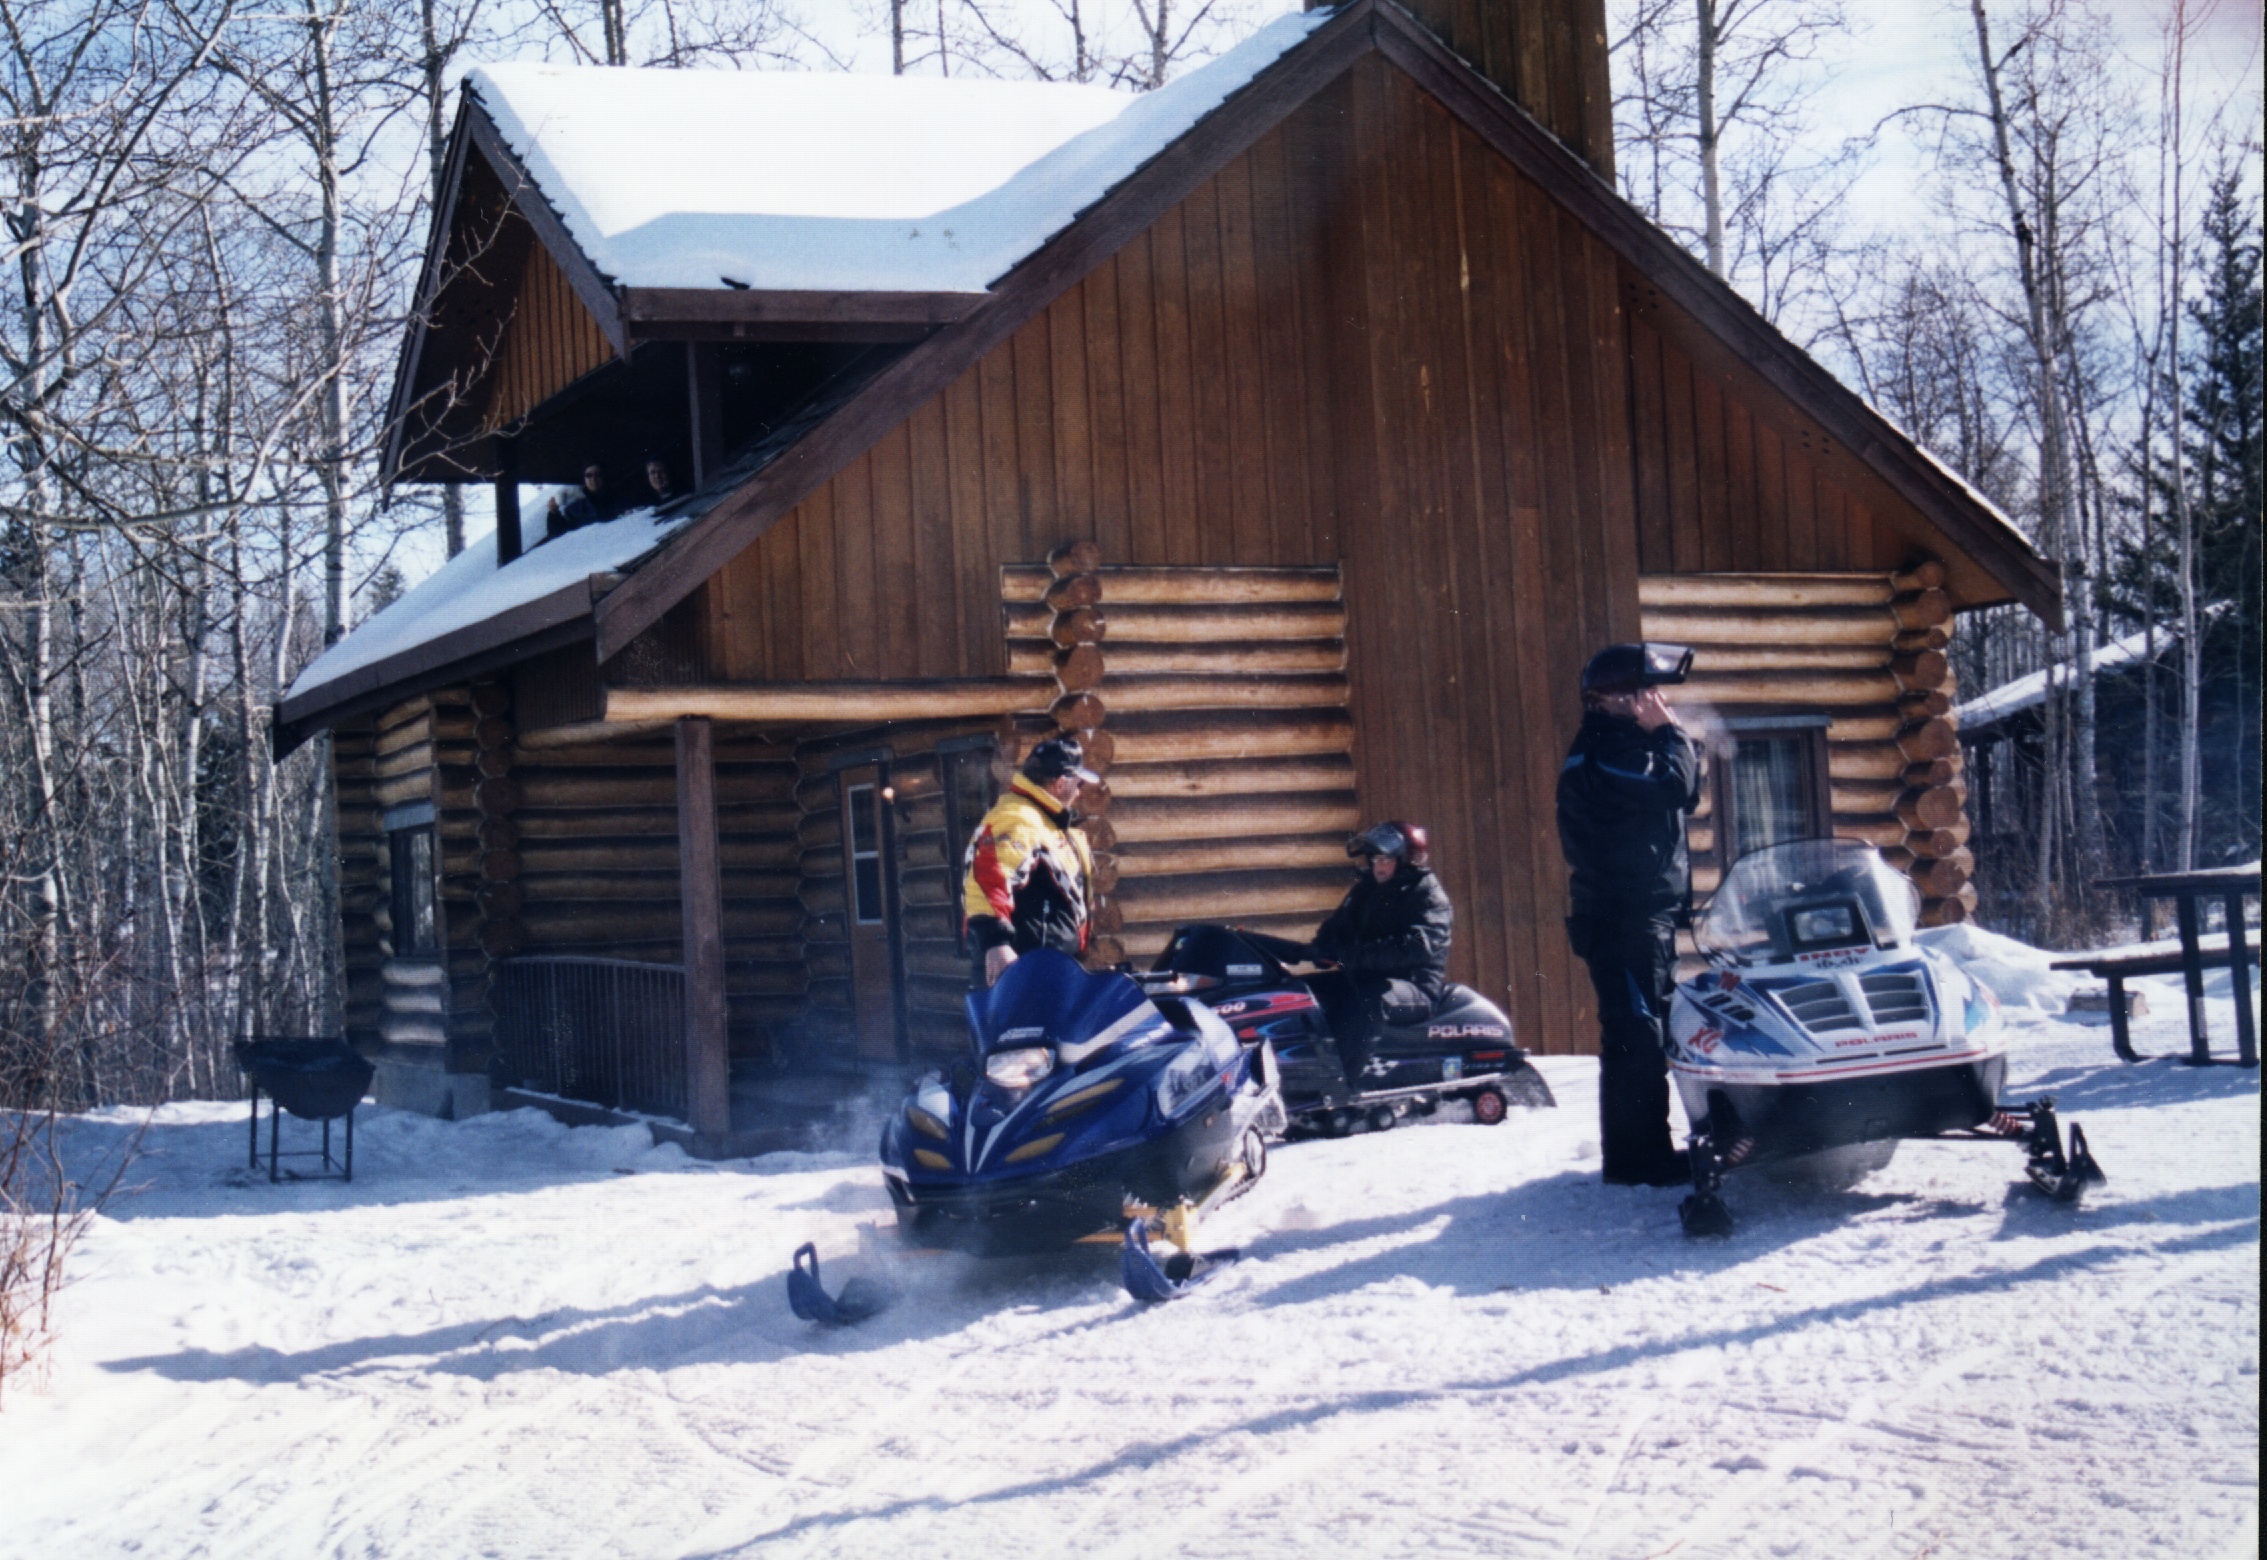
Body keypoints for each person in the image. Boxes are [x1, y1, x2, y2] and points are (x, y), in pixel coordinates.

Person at [1556, 641, 1705, 1187]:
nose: (1656, 702)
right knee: (1634, 1034)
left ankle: (1636, 1156)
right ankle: (1639, 1161)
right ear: (1613, 698)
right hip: (1622, 918)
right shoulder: (1608, 752)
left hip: (1638, 916)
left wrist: (1668, 738)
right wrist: (1669, 733)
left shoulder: (1621, 745)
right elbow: (1677, 783)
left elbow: (1683, 792)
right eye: (1645, 693)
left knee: (1639, 1031)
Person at [1308, 821, 1452, 1083]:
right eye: (1374, 859)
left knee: (1367, 1002)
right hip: (1366, 978)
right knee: (1302, 992)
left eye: (1386, 859)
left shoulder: (1427, 894)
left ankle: (1341, 1086)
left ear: (1406, 859)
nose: (1379, 866)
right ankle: (1297, 1078)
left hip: (1413, 987)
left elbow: (1417, 947)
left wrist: (1354, 955)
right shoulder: (1366, 890)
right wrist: (1317, 951)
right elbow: (1336, 927)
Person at [960, 736, 1099, 987]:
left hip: (1048, 970)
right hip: (1020, 973)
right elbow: (986, 879)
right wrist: (996, 943)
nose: (1079, 792)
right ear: (1059, 784)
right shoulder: (1019, 819)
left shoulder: (1045, 821)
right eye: (1078, 783)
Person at [546, 462, 620, 536]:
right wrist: (554, 513)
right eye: (589, 475)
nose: (593, 479)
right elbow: (559, 537)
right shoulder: (574, 510)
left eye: (598, 475)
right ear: (584, 479)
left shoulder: (617, 498)